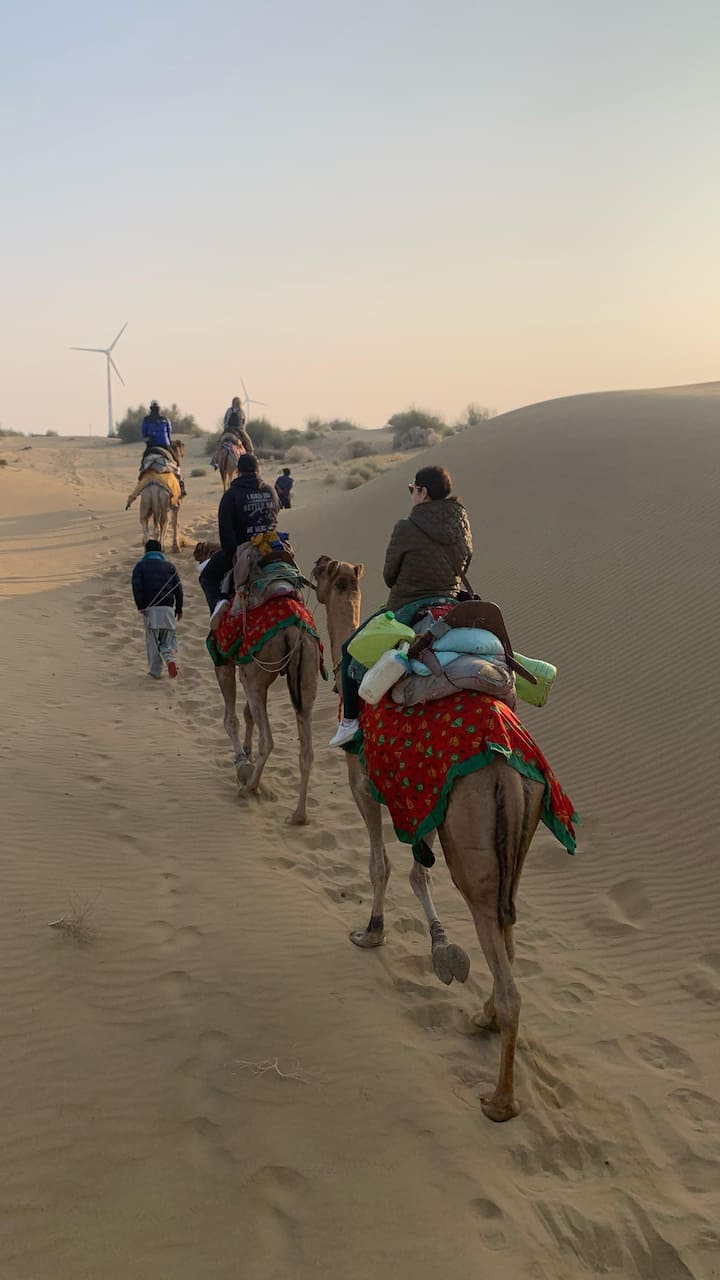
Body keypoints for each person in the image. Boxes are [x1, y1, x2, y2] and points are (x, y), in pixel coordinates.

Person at [330, 465, 472, 746]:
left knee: (349, 650)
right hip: (452, 603)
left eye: (413, 489)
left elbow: (388, 576)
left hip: (407, 606)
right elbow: (466, 562)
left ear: (423, 492)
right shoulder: (462, 522)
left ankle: (349, 722)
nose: (411, 495)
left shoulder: (406, 526)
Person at [199, 453, 279, 627]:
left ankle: (218, 604)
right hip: (274, 548)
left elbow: (226, 537)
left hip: (244, 549)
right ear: (257, 469)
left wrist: (231, 552)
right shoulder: (270, 490)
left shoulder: (231, 495)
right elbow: (274, 518)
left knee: (207, 576)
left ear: (238, 471)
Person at [131, 539, 184, 680]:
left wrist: (140, 605)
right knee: (167, 639)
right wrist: (179, 608)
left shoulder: (140, 566)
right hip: (168, 609)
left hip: (151, 609)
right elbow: (178, 589)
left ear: (146, 551)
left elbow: (137, 587)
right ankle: (170, 659)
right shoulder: (170, 567)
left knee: (153, 641)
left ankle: (155, 671)